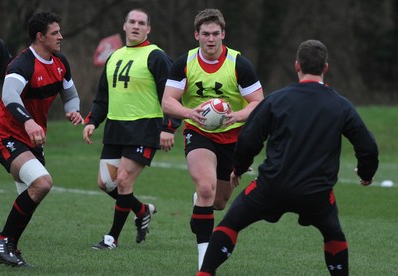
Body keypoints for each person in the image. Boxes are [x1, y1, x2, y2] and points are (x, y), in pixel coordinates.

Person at [197, 39, 379, 276]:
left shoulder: (277, 99)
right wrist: (366, 173)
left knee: (230, 224)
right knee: (333, 233)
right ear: (325, 68)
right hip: (317, 193)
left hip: (272, 187)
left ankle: (204, 273)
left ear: (296, 66)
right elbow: (368, 146)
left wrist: (238, 168)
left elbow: (250, 137)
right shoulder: (340, 105)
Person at [161, 8, 264, 269]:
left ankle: (201, 205)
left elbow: (259, 104)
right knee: (206, 188)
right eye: (205, 34)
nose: (210, 39)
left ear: (223, 34)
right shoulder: (185, 62)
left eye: (215, 34)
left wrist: (237, 115)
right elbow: (168, 102)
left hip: (233, 139)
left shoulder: (239, 64)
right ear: (196, 35)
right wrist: (190, 114)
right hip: (199, 134)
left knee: (218, 202)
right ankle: (204, 266)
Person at [83, 8, 180, 250]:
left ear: (148, 29)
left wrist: (168, 127)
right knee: (106, 184)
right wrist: (93, 120)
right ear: (124, 26)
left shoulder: (156, 56)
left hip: (145, 129)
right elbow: (102, 97)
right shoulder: (113, 57)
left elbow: (172, 95)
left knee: (124, 181)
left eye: (141, 23)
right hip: (116, 128)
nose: (136, 26)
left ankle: (111, 238)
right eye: (132, 22)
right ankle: (142, 209)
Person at [0, 11, 84, 267]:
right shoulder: (22, 64)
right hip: (7, 133)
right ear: (40, 37)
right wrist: (28, 121)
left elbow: (71, 95)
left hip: (33, 138)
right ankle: (3, 241)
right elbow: (9, 96)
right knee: (42, 183)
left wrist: (73, 110)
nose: (61, 36)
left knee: (31, 193)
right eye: (55, 33)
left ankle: (9, 247)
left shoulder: (60, 62)